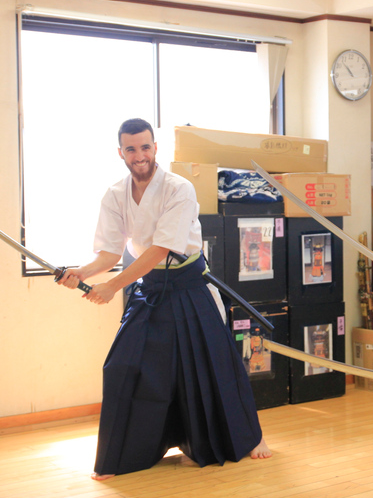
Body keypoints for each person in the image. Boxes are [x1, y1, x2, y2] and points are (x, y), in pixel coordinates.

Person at [57, 118, 271, 480]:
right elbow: (110, 252)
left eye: (145, 147)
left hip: (188, 284)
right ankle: (122, 454)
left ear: (155, 147)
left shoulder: (180, 188)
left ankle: (250, 437)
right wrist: (82, 273)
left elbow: (160, 248)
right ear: (120, 152)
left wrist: (113, 287)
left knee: (214, 364)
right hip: (151, 288)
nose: (139, 155)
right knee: (123, 366)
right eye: (131, 148)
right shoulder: (114, 194)